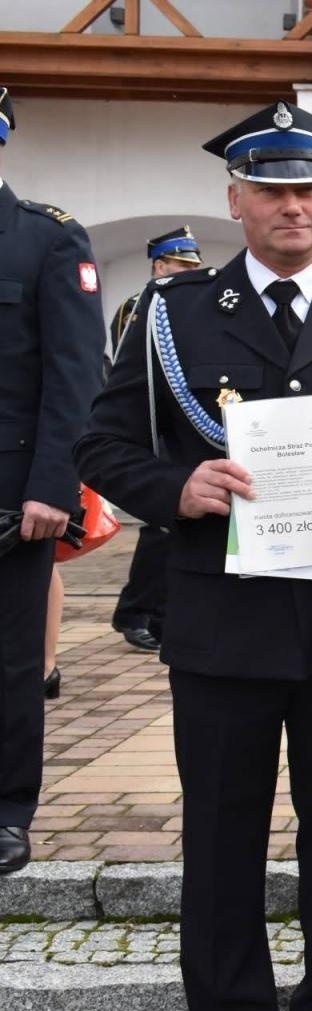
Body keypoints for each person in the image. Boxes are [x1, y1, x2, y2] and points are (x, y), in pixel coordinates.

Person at [77, 100, 312, 1011]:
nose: (291, 206)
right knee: (223, 841)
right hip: (220, 624)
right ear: (237, 197)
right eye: (269, 189)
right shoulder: (171, 315)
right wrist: (177, 486)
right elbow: (101, 444)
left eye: (308, 188)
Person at [0, 86, 105, 875]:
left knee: (9, 661)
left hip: (11, 498)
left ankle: (7, 809)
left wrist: (52, 489)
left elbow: (74, 378)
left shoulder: (46, 241)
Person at [106, 226, 208, 654]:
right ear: (159, 266)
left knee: (169, 530)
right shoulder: (141, 306)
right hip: (154, 430)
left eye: (193, 266)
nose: (190, 272)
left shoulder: (187, 305)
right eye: (182, 265)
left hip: (181, 429)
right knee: (159, 528)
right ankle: (135, 611)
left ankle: (160, 614)